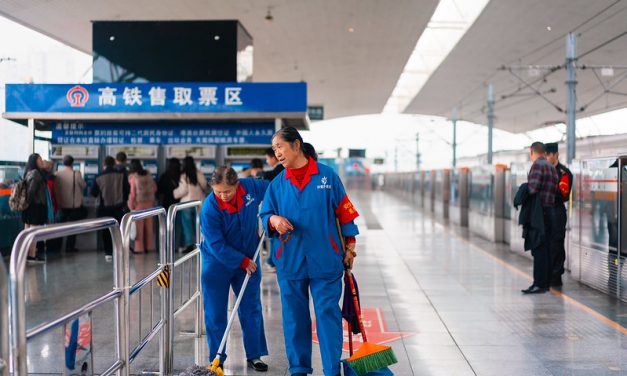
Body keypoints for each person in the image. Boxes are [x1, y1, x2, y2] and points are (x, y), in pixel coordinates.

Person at [259, 127, 359, 376]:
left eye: (280, 147)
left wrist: (350, 247)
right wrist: (274, 220)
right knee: (294, 318)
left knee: (327, 314)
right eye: (274, 150)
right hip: (290, 259)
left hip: (325, 258)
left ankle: (331, 370)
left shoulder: (327, 177)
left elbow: (345, 213)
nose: (277, 153)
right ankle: (299, 369)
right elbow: (265, 214)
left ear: (296, 145)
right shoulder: (278, 184)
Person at [199, 166, 270, 372]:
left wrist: (273, 211)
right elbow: (216, 245)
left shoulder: (249, 187)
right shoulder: (210, 208)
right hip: (217, 263)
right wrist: (242, 261)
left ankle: (254, 355)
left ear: (237, 185)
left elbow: (274, 188)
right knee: (215, 312)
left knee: (251, 307)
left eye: (227, 192)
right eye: (218, 191)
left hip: (249, 258)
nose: (223, 196)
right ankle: (217, 357)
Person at [522, 142, 559, 294]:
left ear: (532, 152)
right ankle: (544, 283)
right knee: (546, 249)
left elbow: (533, 188)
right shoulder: (551, 167)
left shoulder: (538, 165)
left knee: (538, 250)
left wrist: (524, 188)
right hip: (550, 211)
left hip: (539, 214)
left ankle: (538, 284)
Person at [545, 142, 573, 287]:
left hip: (556, 211)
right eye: (545, 155)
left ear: (556, 154)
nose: (547, 157)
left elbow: (563, 194)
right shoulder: (543, 170)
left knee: (556, 243)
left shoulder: (563, 172)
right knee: (546, 242)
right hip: (545, 210)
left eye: (549, 155)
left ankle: (556, 276)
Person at [91, 156, 129, 262]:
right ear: (114, 164)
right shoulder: (121, 176)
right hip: (119, 207)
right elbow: (127, 191)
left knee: (106, 231)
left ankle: (108, 253)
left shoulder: (99, 176)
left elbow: (93, 193)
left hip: (104, 208)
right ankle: (119, 251)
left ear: (104, 164)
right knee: (119, 230)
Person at [174, 156, 208, 253]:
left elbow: (183, 190)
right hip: (199, 203)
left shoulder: (184, 175)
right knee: (199, 224)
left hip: (187, 204)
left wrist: (174, 193)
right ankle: (200, 243)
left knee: (187, 225)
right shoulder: (199, 173)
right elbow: (205, 184)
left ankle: (189, 245)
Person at [54, 155, 87, 253]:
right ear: (72, 163)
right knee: (73, 228)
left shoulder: (57, 174)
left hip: (61, 206)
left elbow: (55, 190)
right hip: (74, 206)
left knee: (60, 228)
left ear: (63, 163)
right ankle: (69, 248)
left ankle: (58, 247)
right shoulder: (76, 174)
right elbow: (84, 185)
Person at [22, 153, 48, 265]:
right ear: (35, 162)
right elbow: (31, 191)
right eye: (40, 160)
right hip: (35, 206)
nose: (42, 161)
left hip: (28, 207)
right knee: (33, 232)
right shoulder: (36, 174)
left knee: (27, 231)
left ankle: (28, 255)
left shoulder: (27, 172)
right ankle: (31, 256)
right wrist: (30, 202)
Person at [128, 160, 157, 253]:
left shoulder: (134, 178)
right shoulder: (149, 176)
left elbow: (132, 193)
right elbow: (155, 188)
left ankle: (139, 249)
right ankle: (149, 247)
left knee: (139, 228)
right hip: (150, 203)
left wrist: (131, 205)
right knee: (149, 227)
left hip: (139, 204)